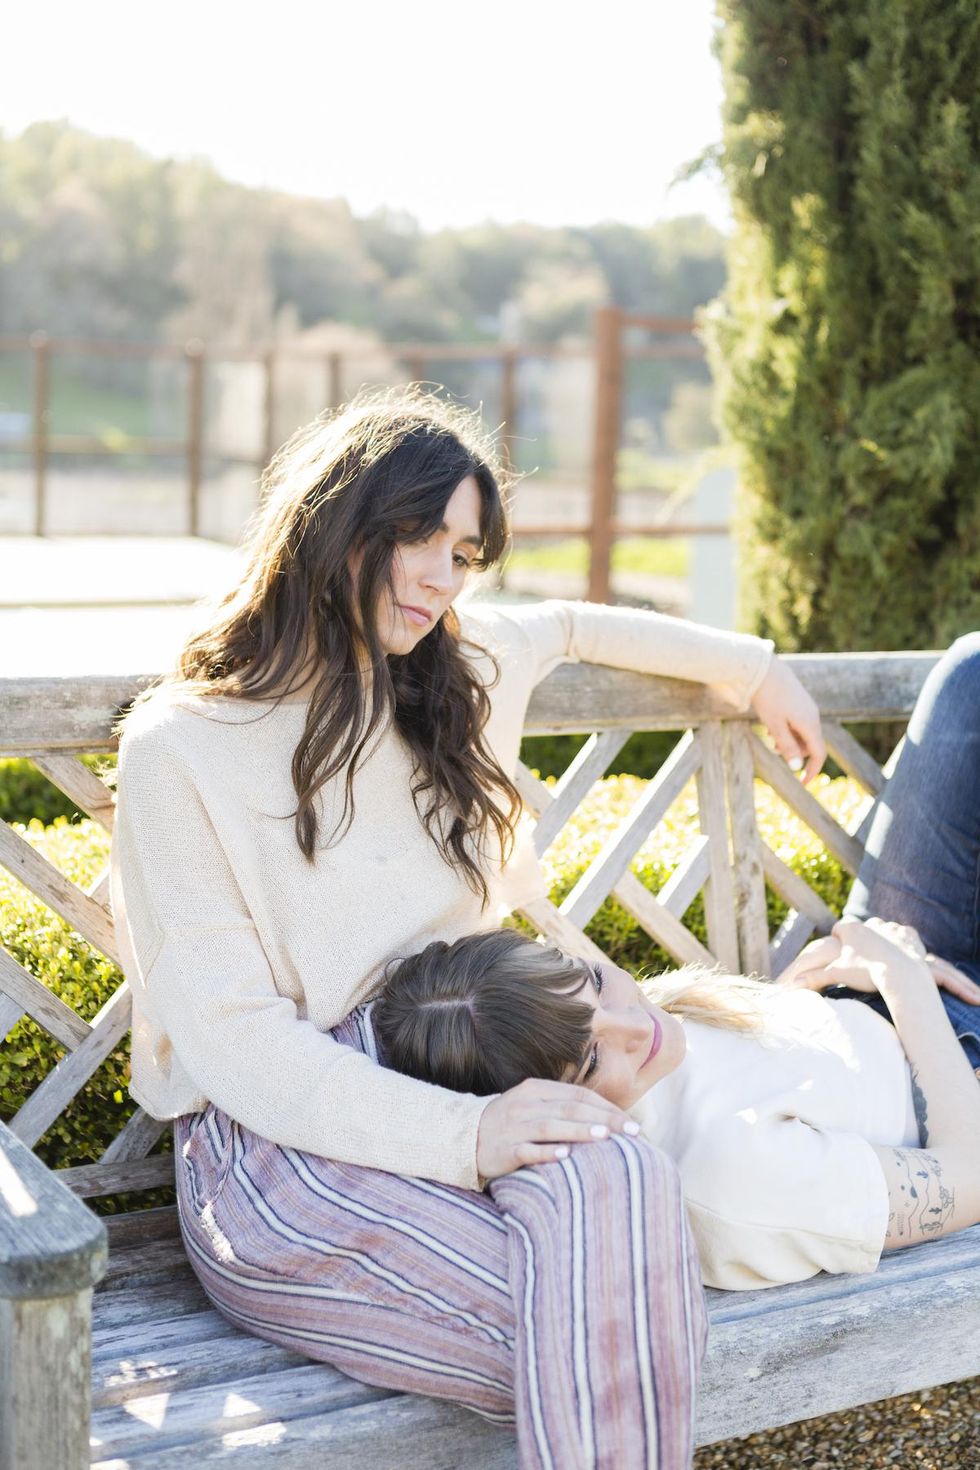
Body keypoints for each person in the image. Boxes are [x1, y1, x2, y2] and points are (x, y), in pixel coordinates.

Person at [109, 386, 826, 1469]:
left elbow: (576, 622)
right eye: (417, 538)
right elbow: (238, 1047)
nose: (443, 579)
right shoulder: (182, 749)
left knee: (616, 1187)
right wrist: (466, 1140)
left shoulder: (451, 674)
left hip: (461, 1069)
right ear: (335, 525)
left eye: (466, 551)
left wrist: (752, 665)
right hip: (284, 1149)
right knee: (605, 1324)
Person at [372, 636, 980, 1291]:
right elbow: (969, 1177)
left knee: (969, 679)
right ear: (543, 1113)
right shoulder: (734, 1183)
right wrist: (904, 979)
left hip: (878, 989)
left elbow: (752, 1081)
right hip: (952, 1078)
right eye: (593, 1060)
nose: (638, 1027)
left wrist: (807, 995)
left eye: (597, 985)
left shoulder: (641, 1050)